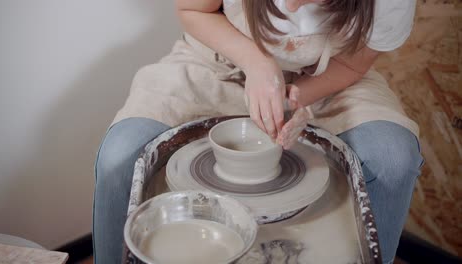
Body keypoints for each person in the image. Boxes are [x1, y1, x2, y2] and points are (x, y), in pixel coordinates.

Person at [93, 0, 424, 263]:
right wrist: (257, 63)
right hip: (218, 61)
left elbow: (354, 64)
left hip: (327, 76)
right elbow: (192, 10)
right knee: (120, 155)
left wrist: (300, 98)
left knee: (393, 158)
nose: (291, 6)